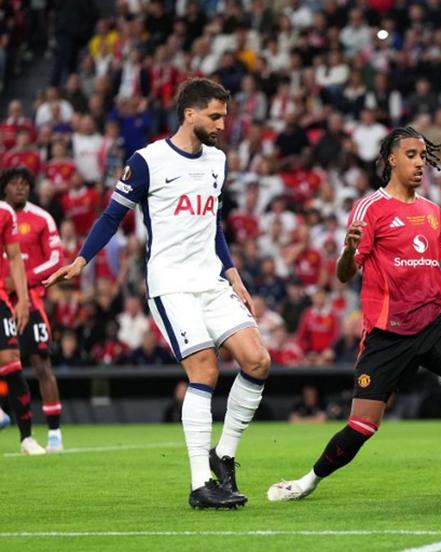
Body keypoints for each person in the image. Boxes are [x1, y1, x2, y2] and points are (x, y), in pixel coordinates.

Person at [267, 127, 441, 502]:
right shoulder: (371, 208)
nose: (420, 163)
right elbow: (344, 275)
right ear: (391, 160)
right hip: (388, 334)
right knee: (362, 426)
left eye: (423, 156)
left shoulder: (432, 212)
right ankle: (307, 482)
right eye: (412, 155)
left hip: (434, 323)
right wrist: (349, 252)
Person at [45, 78, 272, 509]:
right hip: (171, 285)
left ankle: (223, 457)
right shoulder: (148, 160)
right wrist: (81, 261)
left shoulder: (217, 162)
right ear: (190, 114)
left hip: (211, 280)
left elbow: (213, 225)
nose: (223, 124)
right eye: (215, 115)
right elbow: (112, 216)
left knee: (258, 361)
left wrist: (234, 275)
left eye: (224, 116)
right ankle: (200, 484)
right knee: (204, 372)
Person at [1, 167, 65, 451]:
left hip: (30, 297)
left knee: (41, 363)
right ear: (5, 188)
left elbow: (56, 258)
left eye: (25, 184)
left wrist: (22, 281)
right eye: (14, 184)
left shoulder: (41, 218)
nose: (20, 188)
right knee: (7, 360)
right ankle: (6, 413)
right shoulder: (4, 214)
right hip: (3, 295)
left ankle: (54, 434)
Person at [0, 191, 40, 454]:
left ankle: (26, 438)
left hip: (1, 296)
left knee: (12, 358)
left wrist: (23, 300)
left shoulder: (4, 212)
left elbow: (14, 258)